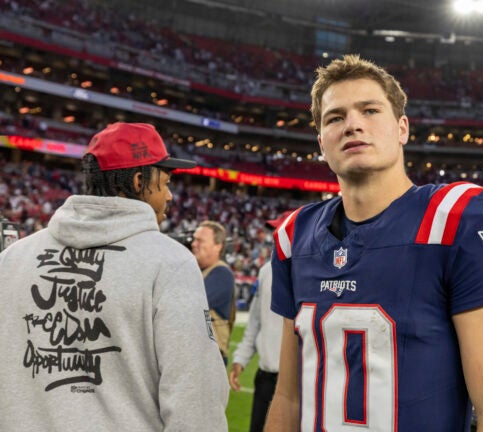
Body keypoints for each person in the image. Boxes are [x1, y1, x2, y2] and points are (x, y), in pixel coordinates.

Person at [264, 55, 483, 432]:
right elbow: (289, 398)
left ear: (402, 128)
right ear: (321, 142)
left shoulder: (455, 220)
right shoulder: (295, 236)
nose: (352, 124)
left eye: (370, 110)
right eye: (335, 117)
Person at [0, 122, 229, 430]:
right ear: (138, 181)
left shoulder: (13, 257)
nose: (170, 196)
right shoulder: (170, 262)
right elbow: (196, 400)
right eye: (164, 183)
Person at [228, 212, 291, 432]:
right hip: (266, 377)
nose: (275, 235)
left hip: (296, 381)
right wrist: (241, 360)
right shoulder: (266, 271)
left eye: (282, 230)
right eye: (275, 230)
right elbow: (255, 321)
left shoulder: (312, 273)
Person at [192, 220, 236, 363]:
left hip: (209, 359)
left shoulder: (222, 273)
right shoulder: (199, 271)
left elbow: (191, 303)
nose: (193, 244)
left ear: (218, 246)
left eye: (200, 241)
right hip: (198, 355)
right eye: (194, 239)